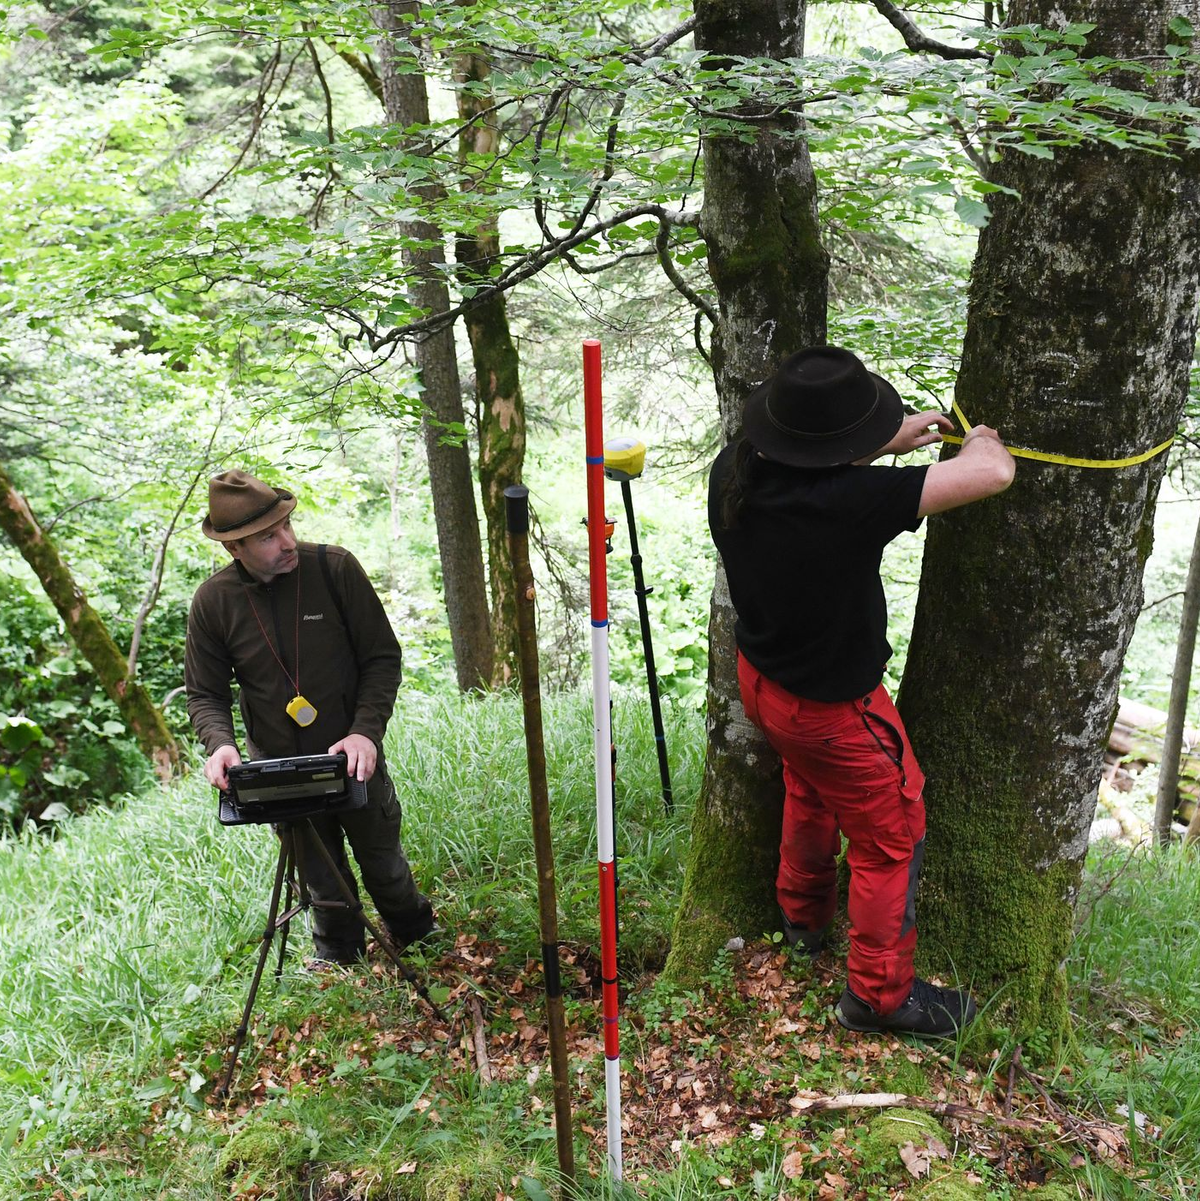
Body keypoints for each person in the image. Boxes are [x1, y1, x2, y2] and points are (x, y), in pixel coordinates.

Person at [708, 345, 1014, 1038]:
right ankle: (878, 997)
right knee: (891, 835)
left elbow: (817, 469)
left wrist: (888, 437)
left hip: (765, 684)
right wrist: (987, 438)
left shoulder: (738, 467)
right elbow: (990, 470)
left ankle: (802, 919)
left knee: (810, 790)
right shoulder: (850, 504)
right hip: (835, 712)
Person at [185, 469, 434, 965]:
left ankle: (419, 939)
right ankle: (340, 960)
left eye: (287, 526)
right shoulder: (214, 602)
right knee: (321, 878)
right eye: (268, 537)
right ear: (235, 549)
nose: (287, 541)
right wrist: (220, 745)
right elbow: (205, 694)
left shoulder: (334, 569)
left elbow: (382, 658)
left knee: (383, 864)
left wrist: (365, 732)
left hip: (353, 759)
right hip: (279, 772)